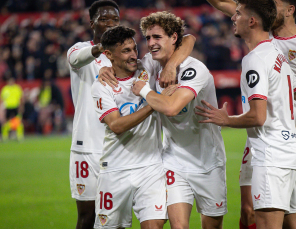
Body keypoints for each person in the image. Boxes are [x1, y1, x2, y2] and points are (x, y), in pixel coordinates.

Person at [195, 0, 296, 228]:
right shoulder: (277, 54)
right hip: (288, 149)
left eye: (237, 14)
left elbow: (258, 117)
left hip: (271, 153)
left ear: (251, 21)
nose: (232, 17)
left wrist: (226, 119)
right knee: (291, 222)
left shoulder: (256, 59)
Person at [66, 1, 195, 228]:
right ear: (92, 22)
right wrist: (102, 52)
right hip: (87, 145)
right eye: (104, 19)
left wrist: (171, 66)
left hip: (128, 153)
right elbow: (77, 59)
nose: (110, 23)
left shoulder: (136, 63)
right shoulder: (81, 51)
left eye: (114, 19)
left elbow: (189, 39)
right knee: (88, 215)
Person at [131, 11, 227, 229]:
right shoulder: (151, 64)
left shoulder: (195, 69)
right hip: (174, 160)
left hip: (208, 161)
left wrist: (144, 90)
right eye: (147, 38)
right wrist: (108, 68)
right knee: (179, 226)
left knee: (211, 226)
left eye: (157, 37)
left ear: (174, 38)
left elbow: (173, 108)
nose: (151, 43)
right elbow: (126, 64)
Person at [91, 25, 181, 229]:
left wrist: (171, 65)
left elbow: (190, 39)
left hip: (150, 167)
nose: (134, 55)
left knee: (154, 225)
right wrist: (156, 103)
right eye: (125, 51)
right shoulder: (102, 86)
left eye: (134, 49)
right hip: (115, 170)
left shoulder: (146, 67)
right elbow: (116, 125)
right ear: (108, 55)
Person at [0, 76, 24, 141]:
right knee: (6, 122)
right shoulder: (5, 89)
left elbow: (21, 98)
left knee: (18, 122)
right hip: (7, 107)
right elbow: (1, 99)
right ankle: (5, 137)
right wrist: (1, 109)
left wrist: (21, 107)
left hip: (15, 107)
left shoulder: (17, 88)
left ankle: (19, 136)